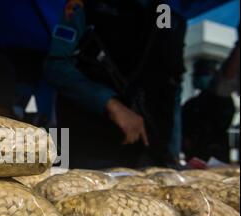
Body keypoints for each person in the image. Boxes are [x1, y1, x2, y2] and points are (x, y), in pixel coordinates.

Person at [44, 0, 186, 169]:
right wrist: (110, 104)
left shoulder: (169, 16)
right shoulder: (86, 6)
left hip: (144, 147)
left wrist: (171, 149)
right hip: (81, 135)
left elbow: (171, 86)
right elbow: (55, 67)